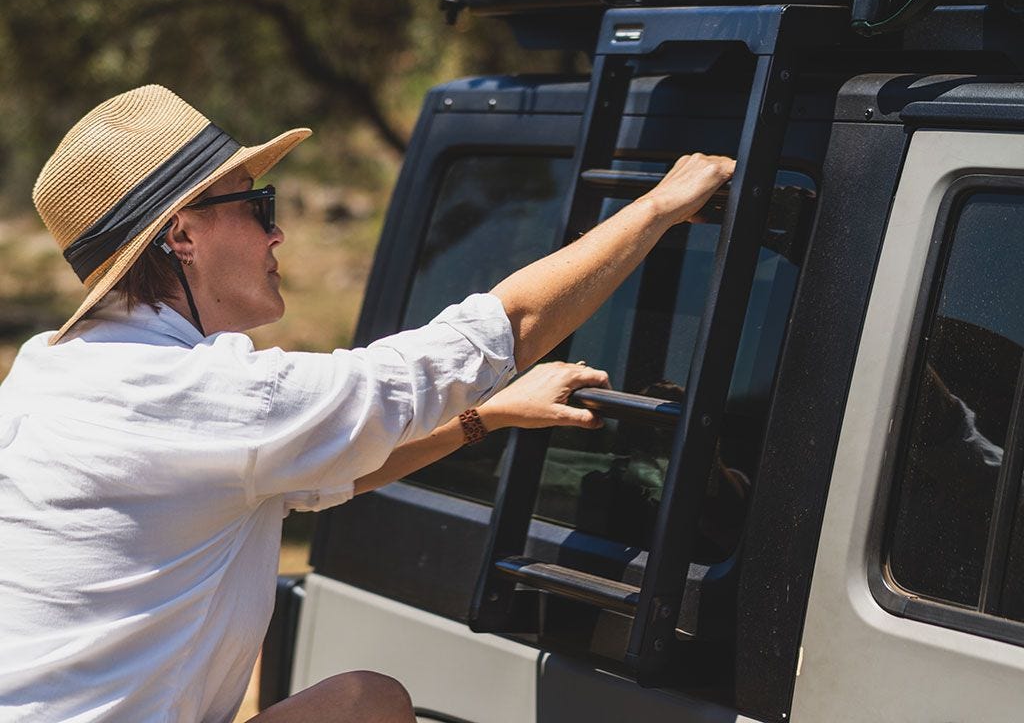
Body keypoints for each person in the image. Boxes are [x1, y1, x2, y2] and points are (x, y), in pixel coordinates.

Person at [0, 85, 733, 722]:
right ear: (182, 235)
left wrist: (485, 418)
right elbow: (497, 332)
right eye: (258, 204)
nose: (277, 229)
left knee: (364, 704)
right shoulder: (205, 397)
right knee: (370, 706)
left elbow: (320, 477)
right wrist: (660, 208)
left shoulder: (53, 371)